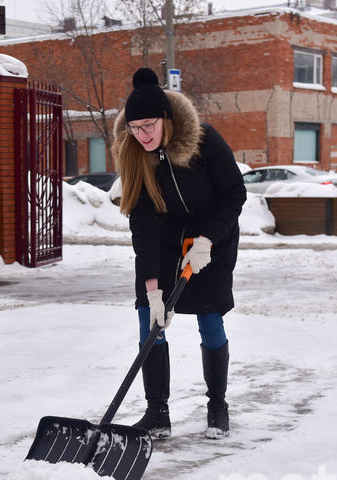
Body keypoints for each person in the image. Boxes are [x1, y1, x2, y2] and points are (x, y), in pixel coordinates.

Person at [113, 67, 247, 439]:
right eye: (134, 128)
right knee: (148, 316)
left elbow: (235, 194)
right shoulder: (133, 152)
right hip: (165, 238)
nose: (142, 135)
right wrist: (153, 289)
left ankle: (217, 404)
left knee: (209, 317)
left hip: (212, 233)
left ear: (166, 119)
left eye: (148, 126)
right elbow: (142, 223)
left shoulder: (203, 140)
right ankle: (157, 412)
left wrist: (207, 240)